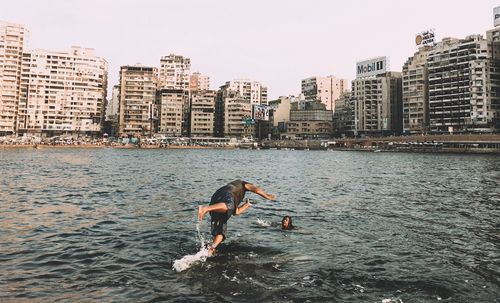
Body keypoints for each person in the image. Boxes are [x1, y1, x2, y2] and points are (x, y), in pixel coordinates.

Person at [198, 180, 276, 256]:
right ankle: (205, 208)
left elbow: (236, 212)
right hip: (225, 193)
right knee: (229, 206)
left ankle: (211, 249)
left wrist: (246, 205)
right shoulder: (242, 183)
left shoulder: (235, 198)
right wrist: (268, 196)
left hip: (216, 202)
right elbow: (256, 190)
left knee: (221, 233)